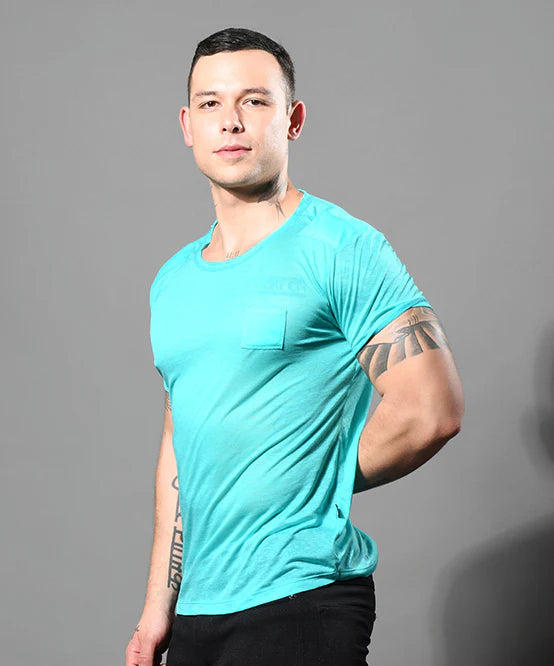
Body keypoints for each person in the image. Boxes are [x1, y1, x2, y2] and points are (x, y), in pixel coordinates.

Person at [125, 26, 464, 666]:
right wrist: (156, 610)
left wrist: (311, 481)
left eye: (254, 101)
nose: (231, 121)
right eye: (210, 103)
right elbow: (181, 444)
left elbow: (431, 410)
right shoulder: (171, 282)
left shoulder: (344, 248)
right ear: (188, 125)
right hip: (198, 611)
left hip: (301, 598)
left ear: (293, 119)